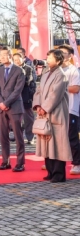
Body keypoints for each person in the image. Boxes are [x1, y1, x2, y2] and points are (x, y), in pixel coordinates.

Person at [33, 49, 72, 183]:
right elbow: (38, 91)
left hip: (56, 112)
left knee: (58, 144)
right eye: (47, 57)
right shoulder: (45, 74)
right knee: (47, 143)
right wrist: (38, 106)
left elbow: (55, 94)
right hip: (44, 113)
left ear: (58, 60)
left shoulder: (61, 74)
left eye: (50, 58)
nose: (47, 60)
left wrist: (44, 108)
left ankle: (58, 174)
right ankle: (50, 171)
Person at [0, 47, 26, 172]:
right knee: (3, 136)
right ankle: (5, 161)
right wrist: (1, 103)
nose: (1, 58)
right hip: (1, 108)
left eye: (4, 55)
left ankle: (20, 163)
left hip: (15, 107)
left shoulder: (19, 70)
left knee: (18, 136)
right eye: (0, 55)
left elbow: (18, 90)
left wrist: (6, 102)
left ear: (10, 55)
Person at [58, 45, 80, 175]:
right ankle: (56, 162)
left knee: (71, 137)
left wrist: (59, 88)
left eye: (63, 52)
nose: (61, 54)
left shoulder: (74, 71)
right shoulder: (56, 70)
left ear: (70, 56)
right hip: (57, 109)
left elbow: (75, 88)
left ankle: (77, 163)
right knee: (57, 137)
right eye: (59, 52)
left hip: (71, 108)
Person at [13, 52, 36, 146]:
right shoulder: (12, 69)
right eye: (14, 60)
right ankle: (17, 136)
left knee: (28, 118)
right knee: (16, 119)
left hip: (26, 96)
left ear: (23, 59)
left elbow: (27, 81)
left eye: (18, 59)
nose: (16, 61)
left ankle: (30, 137)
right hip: (14, 97)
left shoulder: (28, 68)